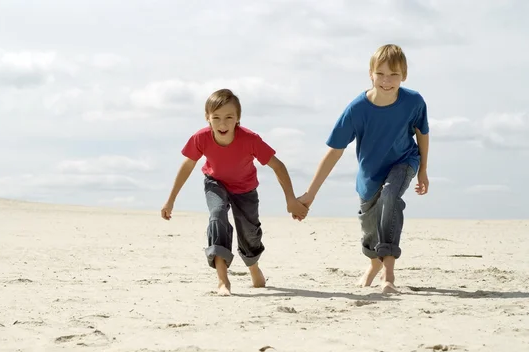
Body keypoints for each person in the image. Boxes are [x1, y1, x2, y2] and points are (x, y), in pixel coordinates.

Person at [297, 44, 430, 294]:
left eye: (394, 75)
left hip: (404, 161)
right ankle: (374, 264)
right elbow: (334, 151)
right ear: (371, 73)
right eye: (381, 74)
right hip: (370, 174)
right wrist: (310, 193)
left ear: (404, 75)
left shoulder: (414, 101)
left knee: (391, 196)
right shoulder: (357, 109)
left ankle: (388, 273)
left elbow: (422, 133)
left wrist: (422, 169)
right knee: (370, 228)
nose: (387, 81)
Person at [161, 88, 309, 296]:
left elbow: (278, 166)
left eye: (229, 117)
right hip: (216, 183)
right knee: (217, 215)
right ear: (208, 118)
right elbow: (187, 166)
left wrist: (291, 200)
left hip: (245, 188)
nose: (223, 124)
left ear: (238, 118)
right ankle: (223, 280)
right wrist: (170, 201)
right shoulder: (201, 138)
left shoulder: (250, 139)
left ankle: (253, 266)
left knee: (249, 231)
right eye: (217, 118)